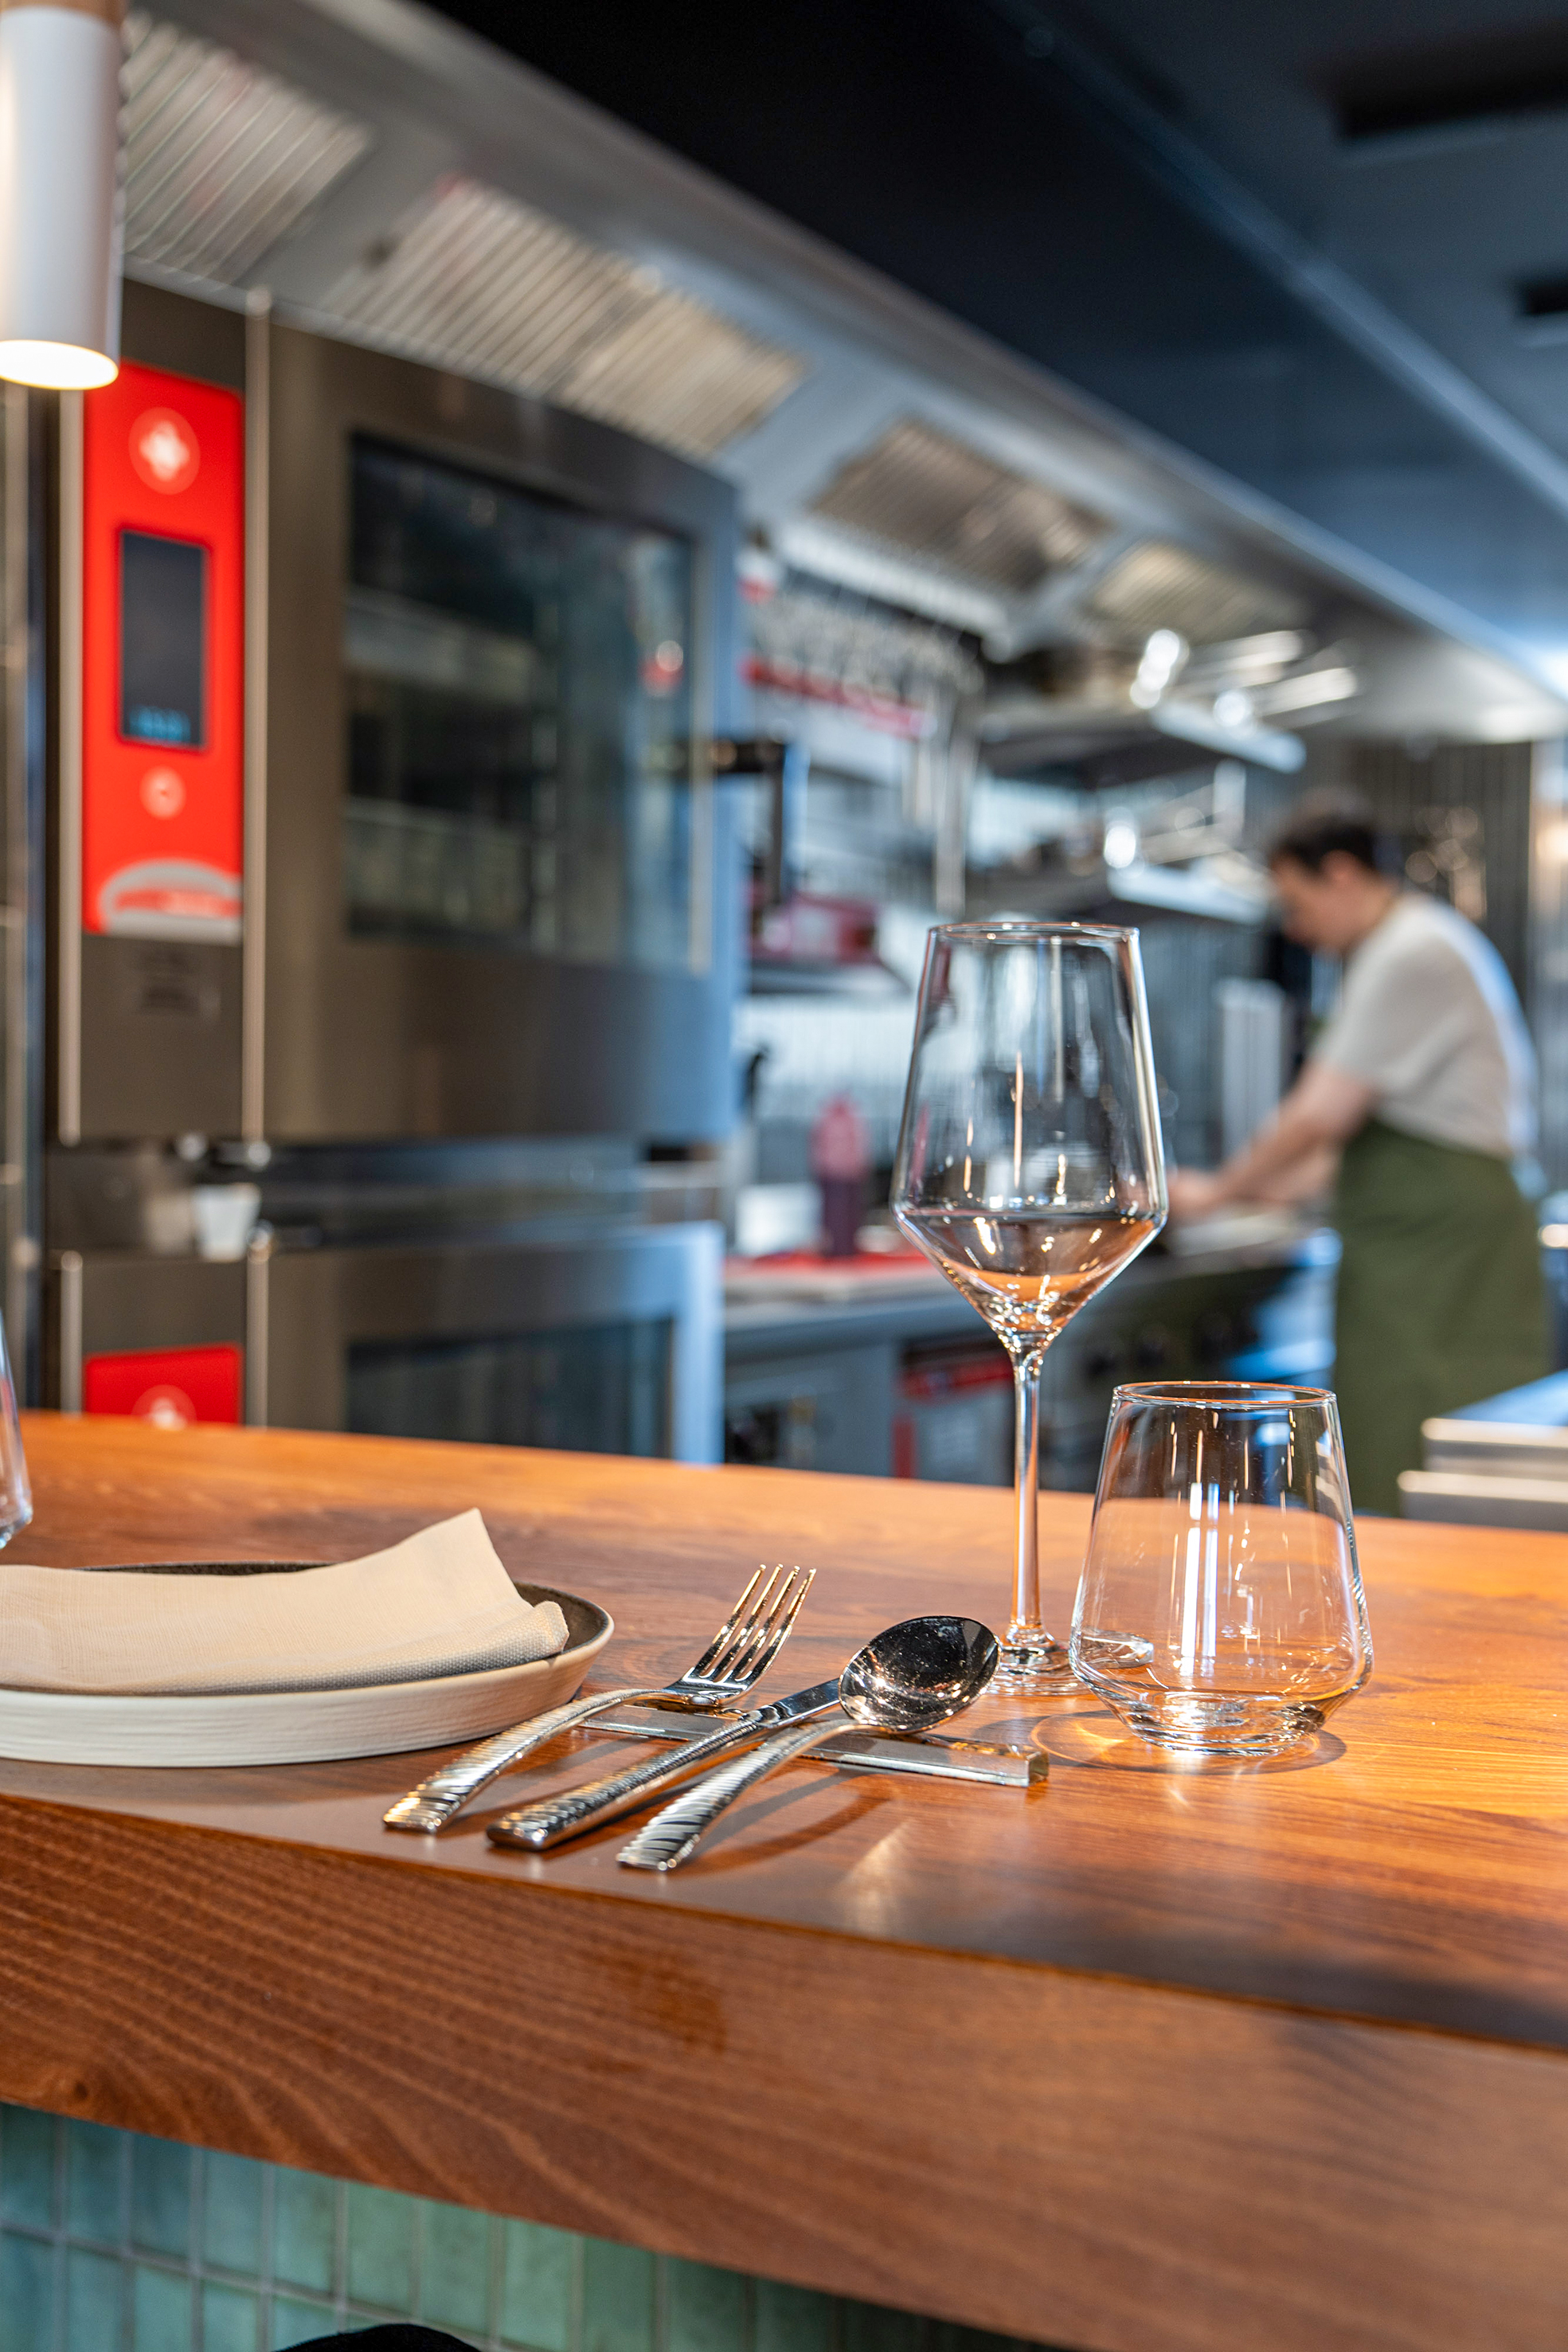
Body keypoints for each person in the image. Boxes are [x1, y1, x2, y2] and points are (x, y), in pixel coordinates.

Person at [1168, 792, 1546, 1514]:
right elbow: (1379, 1127)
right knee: (1399, 1439)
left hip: (1443, 1250)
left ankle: (1430, 1620)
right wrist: (1284, 1189)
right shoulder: (1408, 944)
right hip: (1428, 1239)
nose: (1296, 927)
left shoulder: (1410, 951)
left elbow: (1318, 1112)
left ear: (1340, 875)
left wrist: (1216, 1192)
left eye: (1296, 901)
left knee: (1422, 1449)